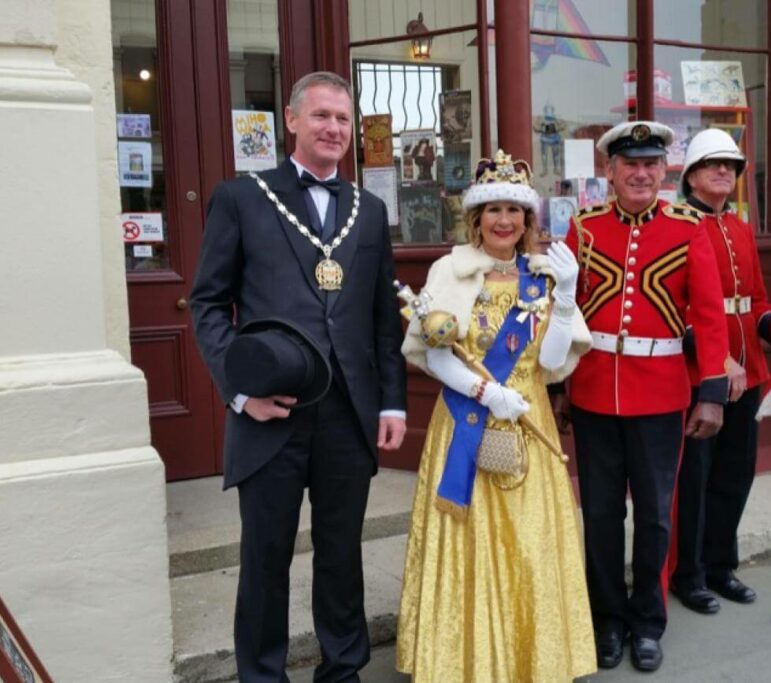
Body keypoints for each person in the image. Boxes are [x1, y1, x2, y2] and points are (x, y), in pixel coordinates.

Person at [190, 71, 407, 682]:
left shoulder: (371, 209)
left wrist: (392, 403)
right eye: (321, 117)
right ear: (291, 120)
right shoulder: (241, 197)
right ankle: (262, 675)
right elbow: (208, 304)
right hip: (270, 411)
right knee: (266, 557)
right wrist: (238, 392)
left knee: (342, 556)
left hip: (348, 412)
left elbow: (380, 317)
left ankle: (343, 670)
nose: (334, 128)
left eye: (342, 118)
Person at [396, 150, 595, 683]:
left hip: (529, 414)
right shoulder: (451, 270)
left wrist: (569, 296)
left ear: (528, 219)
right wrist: (486, 392)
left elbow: (553, 363)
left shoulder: (541, 277)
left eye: (514, 209)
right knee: (470, 545)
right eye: (493, 210)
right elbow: (435, 353)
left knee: (530, 544)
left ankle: (531, 660)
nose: (504, 220)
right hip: (467, 417)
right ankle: (466, 663)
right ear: (476, 218)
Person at [559, 121, 731, 672]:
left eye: (650, 164)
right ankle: (606, 621)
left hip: (661, 398)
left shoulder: (688, 228)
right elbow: (563, 312)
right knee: (602, 515)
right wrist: (560, 385)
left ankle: (648, 621)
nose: (639, 173)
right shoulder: (583, 229)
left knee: (656, 516)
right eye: (628, 163)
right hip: (592, 394)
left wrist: (710, 394)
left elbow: (708, 315)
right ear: (609, 172)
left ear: (664, 171)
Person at [669, 128, 771, 615]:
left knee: (736, 473)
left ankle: (720, 565)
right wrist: (717, 360)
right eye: (713, 164)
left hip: (748, 368)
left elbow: (755, 298)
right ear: (690, 173)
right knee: (695, 478)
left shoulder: (740, 229)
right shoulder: (675, 225)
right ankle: (686, 574)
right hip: (700, 373)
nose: (724, 172)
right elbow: (675, 305)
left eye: (731, 166)